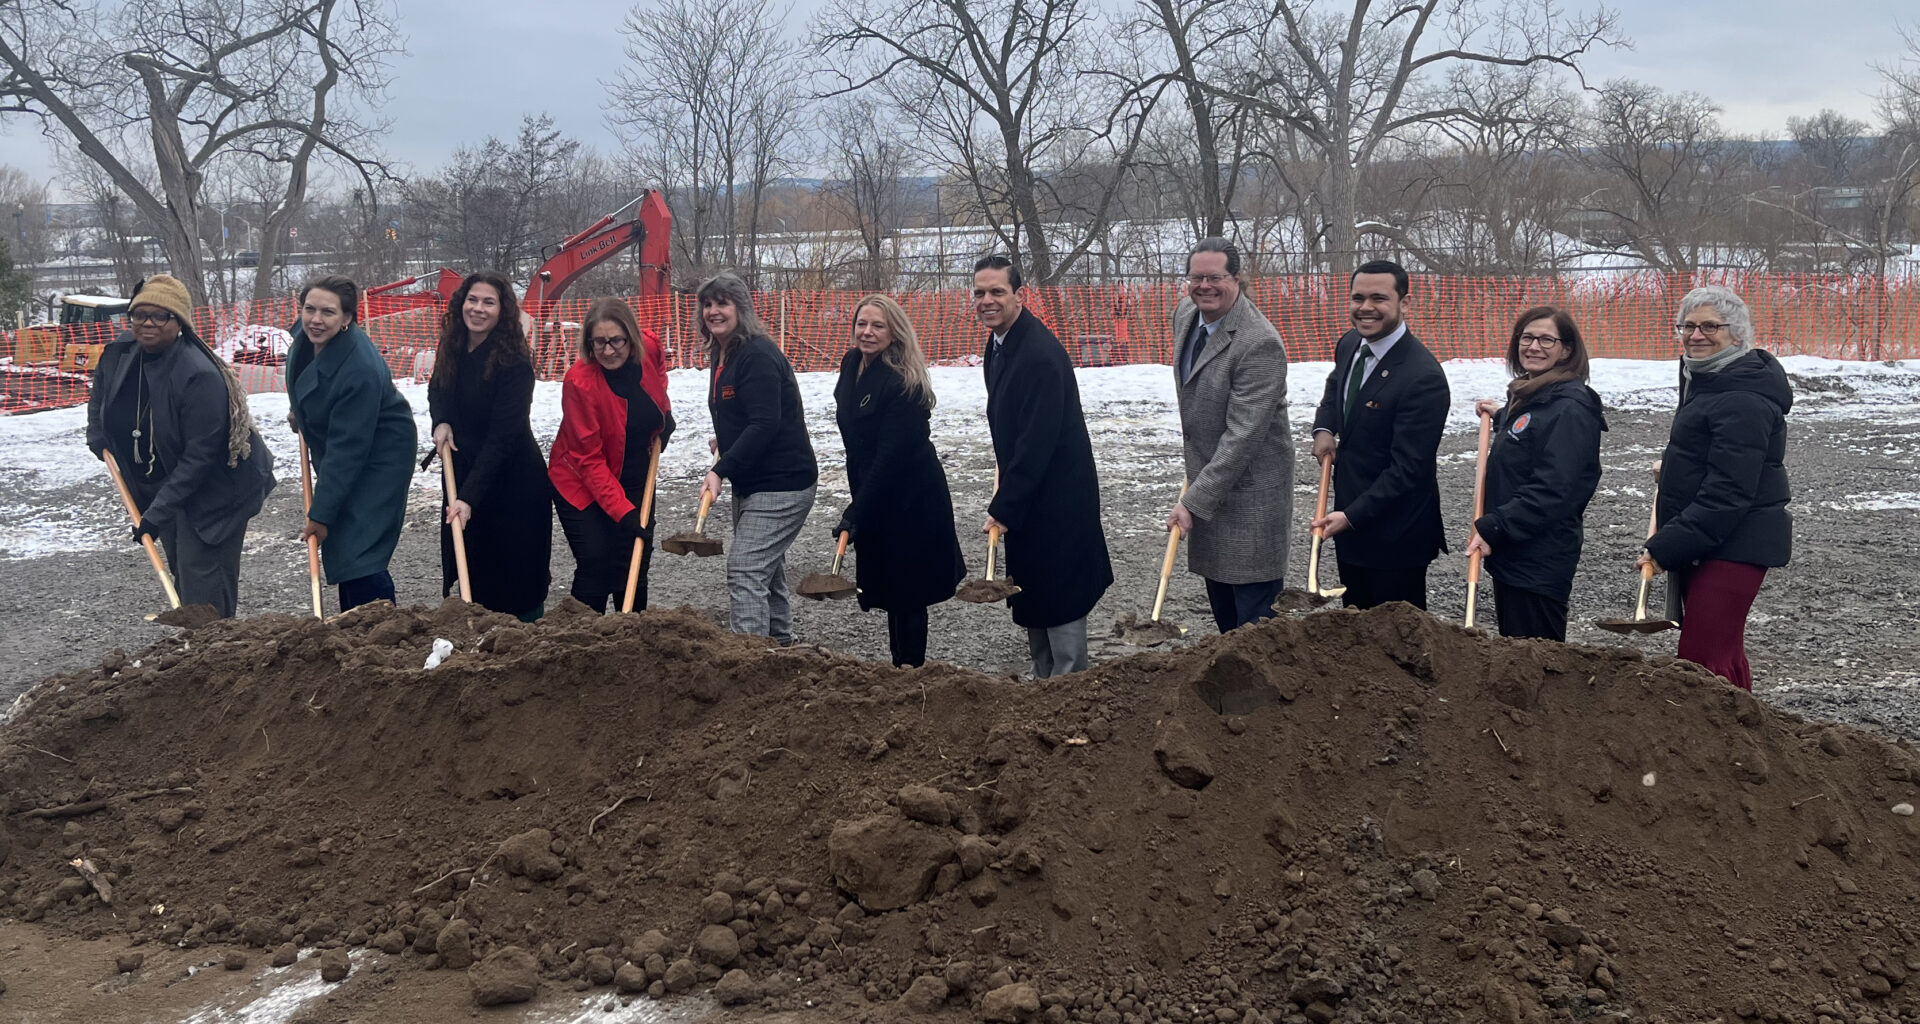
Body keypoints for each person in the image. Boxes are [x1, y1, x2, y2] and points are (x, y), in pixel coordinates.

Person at [85, 274, 275, 618]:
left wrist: (155, 514)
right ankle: (196, 656)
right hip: (165, 484)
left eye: (160, 316)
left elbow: (199, 458)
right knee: (181, 574)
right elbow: (101, 391)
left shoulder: (197, 374)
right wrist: (96, 434)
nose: (147, 323)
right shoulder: (119, 354)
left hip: (214, 494)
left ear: (180, 321)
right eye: (139, 314)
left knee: (203, 586)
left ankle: (215, 654)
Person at [1638, 285, 1792, 691]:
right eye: (1687, 326)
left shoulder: (1743, 396)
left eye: (1710, 326)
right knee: (1722, 653)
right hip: (1713, 542)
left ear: (1737, 334)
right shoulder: (1705, 379)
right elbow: (1715, 458)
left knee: (1702, 662)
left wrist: (1666, 545)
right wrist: (1673, 470)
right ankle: (1746, 741)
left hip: (1736, 545)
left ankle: (1718, 752)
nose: (1696, 335)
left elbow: (1729, 492)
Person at [977, 255, 1113, 678]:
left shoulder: (1039, 355)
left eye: (997, 291)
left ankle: (1069, 692)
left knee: (1060, 596)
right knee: (1033, 591)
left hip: (1057, 501)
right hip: (1030, 498)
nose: (987, 300)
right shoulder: (1000, 344)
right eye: (980, 292)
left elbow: (1037, 443)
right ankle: (1043, 686)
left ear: (1020, 295)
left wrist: (1004, 504)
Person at [1165, 238, 1293, 634]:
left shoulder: (1259, 343)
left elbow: (1243, 437)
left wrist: (1193, 501)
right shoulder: (1186, 314)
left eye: (1215, 277)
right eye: (1196, 277)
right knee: (1224, 615)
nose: (1204, 286)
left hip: (1250, 497)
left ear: (1237, 278)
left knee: (1255, 630)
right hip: (1211, 485)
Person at [833, 294, 967, 667]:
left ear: (894, 332)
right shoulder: (851, 364)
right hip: (875, 490)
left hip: (912, 499)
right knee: (888, 585)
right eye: (862, 324)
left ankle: (911, 670)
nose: (868, 332)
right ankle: (899, 667)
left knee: (908, 590)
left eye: (877, 325)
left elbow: (891, 458)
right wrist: (861, 501)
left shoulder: (902, 383)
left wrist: (857, 510)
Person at [1309, 259, 1450, 610]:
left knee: (1396, 642)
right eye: (1358, 298)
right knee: (1356, 630)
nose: (1365, 308)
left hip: (1396, 536)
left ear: (1404, 303)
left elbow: (1409, 469)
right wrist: (1325, 428)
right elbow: (1335, 386)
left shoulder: (1422, 377)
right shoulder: (1350, 344)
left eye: (1378, 298)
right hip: (1352, 526)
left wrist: (1352, 515)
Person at [1465, 306, 1607, 641]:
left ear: (1566, 350)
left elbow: (1554, 487)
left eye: (1546, 340)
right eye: (1527, 338)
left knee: (1537, 658)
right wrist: (1502, 417)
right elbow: (1534, 438)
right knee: (1517, 653)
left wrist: (1495, 526)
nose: (1533, 346)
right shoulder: (1536, 395)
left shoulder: (1570, 407)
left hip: (1539, 559)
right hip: (1516, 553)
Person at [287, 275, 418, 612]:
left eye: (328, 312)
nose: (316, 319)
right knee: (346, 538)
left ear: (347, 318)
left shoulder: (359, 367)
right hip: (348, 441)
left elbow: (349, 450)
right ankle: (353, 619)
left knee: (360, 543)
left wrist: (320, 515)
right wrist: (300, 411)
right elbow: (309, 381)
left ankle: (378, 624)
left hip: (380, 453)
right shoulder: (307, 336)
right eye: (309, 309)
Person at [427, 271, 553, 620]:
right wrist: (441, 421)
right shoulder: (451, 345)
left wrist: (468, 496)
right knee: (474, 565)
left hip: (512, 482)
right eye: (473, 299)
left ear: (502, 311)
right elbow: (437, 389)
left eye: (488, 302)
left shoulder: (514, 363)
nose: (478, 309)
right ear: (461, 303)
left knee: (516, 575)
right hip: (465, 468)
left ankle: (525, 642)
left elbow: (504, 436)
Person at [700, 272, 818, 643]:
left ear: (741, 308)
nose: (714, 311)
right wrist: (727, 441)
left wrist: (721, 469)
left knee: (746, 568)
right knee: (767, 570)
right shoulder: (724, 352)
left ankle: (750, 660)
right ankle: (780, 645)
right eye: (707, 304)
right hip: (754, 481)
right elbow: (746, 413)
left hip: (782, 482)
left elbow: (766, 423)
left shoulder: (757, 354)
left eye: (723, 303)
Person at [548, 299, 674, 613]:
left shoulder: (650, 347)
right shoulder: (580, 382)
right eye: (598, 342)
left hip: (635, 471)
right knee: (597, 559)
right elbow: (588, 460)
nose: (607, 351)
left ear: (630, 338)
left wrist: (664, 415)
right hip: (578, 479)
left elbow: (659, 377)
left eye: (616, 340)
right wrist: (623, 512)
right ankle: (580, 640)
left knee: (635, 557)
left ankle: (632, 636)